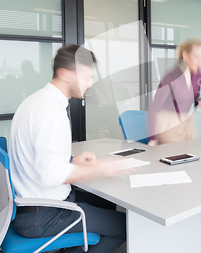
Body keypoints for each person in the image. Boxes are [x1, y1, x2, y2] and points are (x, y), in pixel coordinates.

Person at [9, 45, 127, 253]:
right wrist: (101, 169)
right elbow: (50, 175)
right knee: (125, 226)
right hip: (45, 215)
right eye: (87, 77)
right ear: (66, 74)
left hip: (31, 204)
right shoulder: (51, 113)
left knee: (106, 202)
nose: (90, 85)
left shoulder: (37, 101)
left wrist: (72, 161)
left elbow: (37, 157)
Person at [148, 38, 201, 145]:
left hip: (187, 122)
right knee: (177, 156)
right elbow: (154, 107)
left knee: (196, 155)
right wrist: (152, 138)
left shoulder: (197, 74)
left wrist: (200, 103)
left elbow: (194, 99)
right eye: (196, 57)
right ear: (185, 56)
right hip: (168, 124)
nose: (200, 61)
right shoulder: (171, 77)